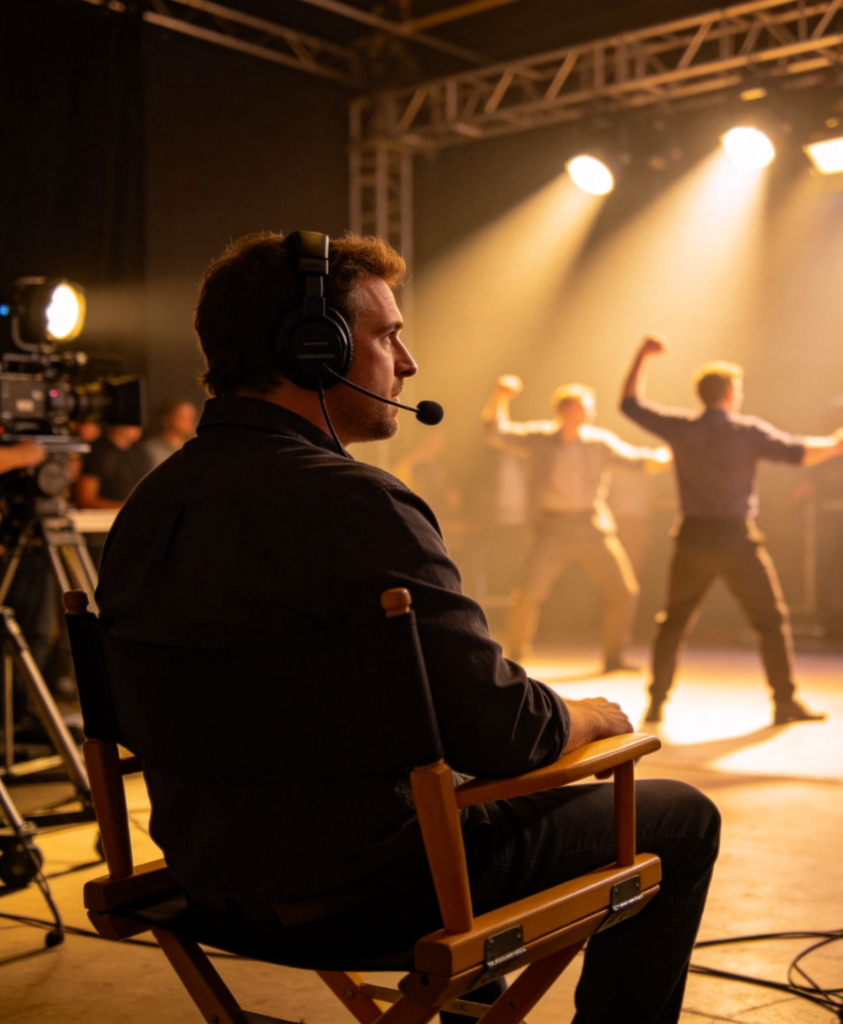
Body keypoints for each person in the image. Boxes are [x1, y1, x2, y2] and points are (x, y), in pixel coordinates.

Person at [94, 231, 720, 1024]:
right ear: (312, 347)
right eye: (388, 334)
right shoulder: (360, 505)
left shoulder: (146, 508)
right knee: (682, 815)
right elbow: (509, 736)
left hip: (204, 882)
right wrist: (592, 716)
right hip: (362, 899)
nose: (408, 362)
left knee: (446, 791)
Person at [620, 335, 843, 727]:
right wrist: (835, 445)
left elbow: (629, 404)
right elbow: (798, 452)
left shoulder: (682, 429)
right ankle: (784, 703)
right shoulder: (747, 432)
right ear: (730, 392)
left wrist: (642, 357)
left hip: (692, 536)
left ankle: (656, 704)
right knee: (770, 620)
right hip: (735, 538)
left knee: (673, 621)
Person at [483, 375, 670, 673]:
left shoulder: (598, 442)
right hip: (554, 528)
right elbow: (497, 433)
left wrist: (665, 456)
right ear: (567, 410)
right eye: (584, 407)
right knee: (529, 592)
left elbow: (634, 461)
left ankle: (614, 657)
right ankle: (516, 655)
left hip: (592, 526)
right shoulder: (541, 438)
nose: (590, 413)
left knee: (624, 592)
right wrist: (501, 396)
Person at [72, 424, 153, 509]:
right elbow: (86, 499)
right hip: (101, 518)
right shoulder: (96, 451)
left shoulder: (141, 453)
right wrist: (129, 509)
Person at [140, 397, 198, 468]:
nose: (190, 423)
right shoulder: (151, 450)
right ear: (166, 420)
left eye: (192, 418)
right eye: (183, 418)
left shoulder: (195, 449)